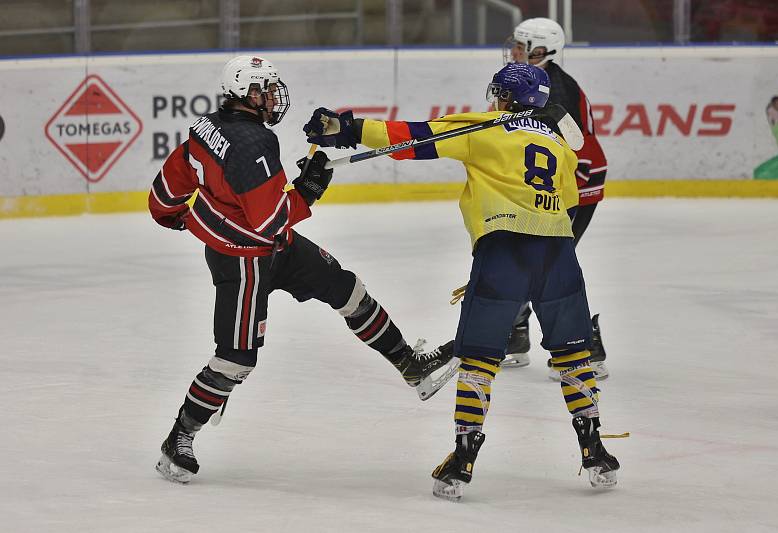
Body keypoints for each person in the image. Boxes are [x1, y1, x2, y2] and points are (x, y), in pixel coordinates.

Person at [304, 62, 620, 501]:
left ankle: (462, 461)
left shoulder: (487, 126)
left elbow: (413, 137)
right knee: (573, 355)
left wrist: (347, 129)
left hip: (503, 252)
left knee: (479, 361)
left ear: (507, 98)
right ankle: (595, 452)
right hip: (558, 253)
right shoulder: (561, 146)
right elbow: (567, 202)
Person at [148, 55, 456, 484]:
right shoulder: (254, 144)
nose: (275, 97)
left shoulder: (208, 127)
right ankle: (178, 437)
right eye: (268, 89)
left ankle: (410, 365)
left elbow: (165, 194)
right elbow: (271, 219)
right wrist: (309, 190)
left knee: (348, 291)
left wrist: (173, 215)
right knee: (235, 360)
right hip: (242, 261)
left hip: (276, 248)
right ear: (249, 94)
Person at [501, 17, 609, 380]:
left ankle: (586, 347)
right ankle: (515, 336)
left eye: (521, 47)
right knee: (525, 260)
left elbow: (567, 153)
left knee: (551, 266)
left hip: (576, 186)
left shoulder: (555, 92)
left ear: (542, 52)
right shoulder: (529, 81)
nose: (513, 52)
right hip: (554, 185)